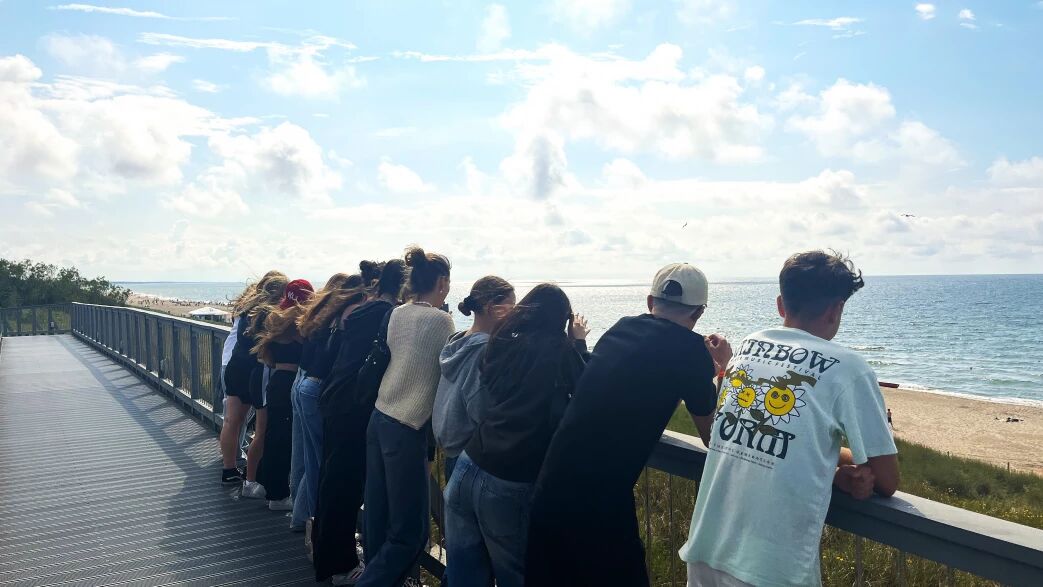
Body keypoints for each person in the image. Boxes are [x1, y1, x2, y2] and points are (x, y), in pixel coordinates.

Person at [679, 251, 900, 586]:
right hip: (770, 569)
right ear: (836, 309)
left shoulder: (747, 349)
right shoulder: (849, 369)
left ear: (781, 305)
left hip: (706, 551)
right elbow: (886, 479)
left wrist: (832, 472)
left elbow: (765, 435)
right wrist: (842, 465)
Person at [524, 264, 730, 587]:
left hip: (548, 490)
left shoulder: (621, 327)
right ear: (699, 312)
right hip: (599, 506)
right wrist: (723, 370)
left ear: (650, 302)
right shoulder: (692, 351)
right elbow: (712, 436)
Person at [445, 284, 588, 587]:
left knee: (464, 574)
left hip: (468, 463)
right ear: (561, 319)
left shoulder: (503, 342)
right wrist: (578, 342)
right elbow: (586, 389)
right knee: (517, 575)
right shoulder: (559, 349)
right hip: (509, 478)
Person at [359, 247, 455, 587]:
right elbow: (451, 368)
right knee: (411, 533)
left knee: (378, 515)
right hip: (406, 427)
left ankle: (376, 575)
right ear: (441, 282)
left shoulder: (397, 313)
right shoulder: (442, 321)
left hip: (380, 417)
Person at [312, 259, 407, 584]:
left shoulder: (362, 311)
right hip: (354, 406)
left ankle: (326, 556)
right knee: (346, 486)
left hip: (335, 399)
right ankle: (340, 565)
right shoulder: (388, 315)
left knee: (332, 481)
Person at [289, 272, 368, 531]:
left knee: (307, 458)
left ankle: (302, 517)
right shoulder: (350, 314)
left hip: (303, 382)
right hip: (317, 388)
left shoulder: (324, 311)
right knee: (320, 464)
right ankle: (316, 526)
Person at [432, 276, 516, 481]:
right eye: (511, 307)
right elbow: (481, 408)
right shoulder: (485, 350)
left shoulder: (458, 340)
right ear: (491, 308)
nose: (515, 314)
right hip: (470, 455)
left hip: (449, 447)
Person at [245, 279, 315, 510]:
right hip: (289, 382)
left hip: (275, 381)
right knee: (283, 440)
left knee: (273, 436)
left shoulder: (275, 319)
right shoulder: (297, 324)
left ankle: (270, 487)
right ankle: (278, 496)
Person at [219, 271, 287, 485]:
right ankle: (254, 476)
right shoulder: (269, 314)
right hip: (254, 371)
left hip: (235, 366)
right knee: (261, 427)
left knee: (231, 420)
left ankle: (229, 468)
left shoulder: (247, 310)